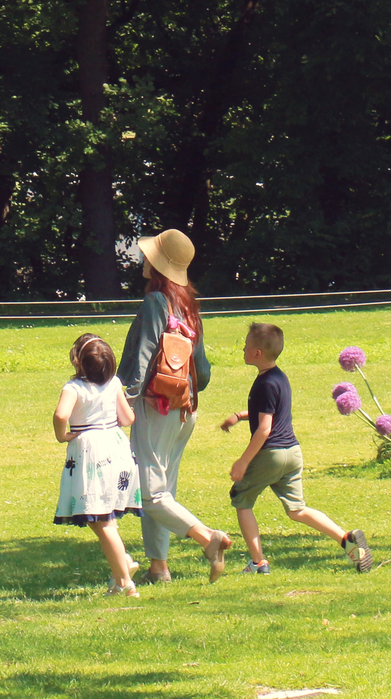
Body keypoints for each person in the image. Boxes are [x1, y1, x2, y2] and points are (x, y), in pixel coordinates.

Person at [118, 228, 234, 582]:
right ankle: (159, 567)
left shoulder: (155, 302)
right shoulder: (189, 306)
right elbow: (203, 372)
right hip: (185, 408)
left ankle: (208, 539)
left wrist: (124, 401)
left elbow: (142, 358)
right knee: (163, 490)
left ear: (157, 263)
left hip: (156, 408)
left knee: (151, 494)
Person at [219, 321, 373, 575]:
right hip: (292, 452)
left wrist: (243, 461)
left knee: (242, 501)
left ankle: (258, 563)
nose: (243, 350)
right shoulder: (278, 377)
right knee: (297, 509)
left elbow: (265, 428)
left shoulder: (263, 384)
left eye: (246, 346)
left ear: (257, 353)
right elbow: (271, 411)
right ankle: (346, 539)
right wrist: (239, 416)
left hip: (272, 454)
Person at [52, 333, 143, 596]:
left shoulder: (74, 387)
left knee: (100, 519)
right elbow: (127, 419)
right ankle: (121, 567)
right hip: (116, 447)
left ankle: (125, 582)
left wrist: (62, 434)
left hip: (90, 452)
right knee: (103, 517)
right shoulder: (114, 383)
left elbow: (61, 414)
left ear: (77, 361)